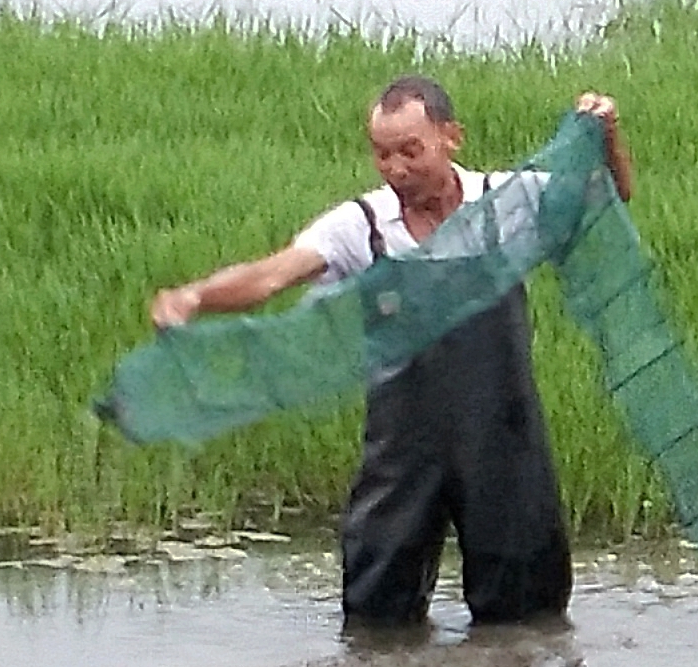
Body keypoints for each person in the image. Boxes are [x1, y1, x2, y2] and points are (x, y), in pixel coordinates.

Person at [149, 76, 632, 626]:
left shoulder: (506, 199)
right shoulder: (363, 225)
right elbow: (271, 276)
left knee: (528, 616)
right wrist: (196, 296)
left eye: (411, 151)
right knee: (377, 613)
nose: (396, 168)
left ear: (452, 138)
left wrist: (608, 133)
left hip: (503, 442)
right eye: (382, 154)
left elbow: (611, 193)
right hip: (404, 452)